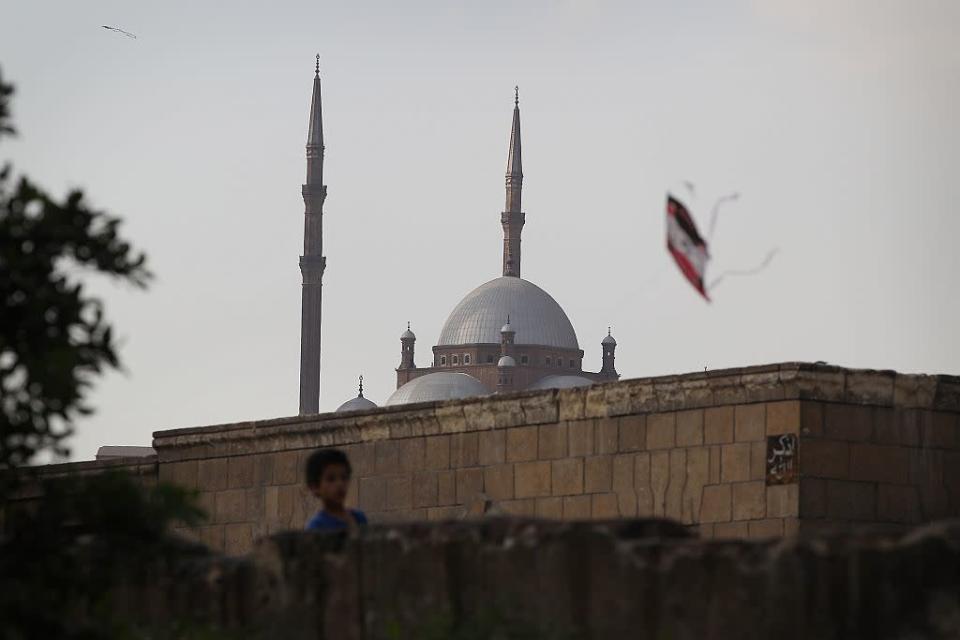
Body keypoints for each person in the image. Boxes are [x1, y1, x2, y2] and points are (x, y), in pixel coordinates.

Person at [304, 448, 368, 532]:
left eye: (343, 478)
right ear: (315, 487)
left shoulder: (359, 517)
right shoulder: (317, 526)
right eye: (331, 479)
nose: (339, 484)